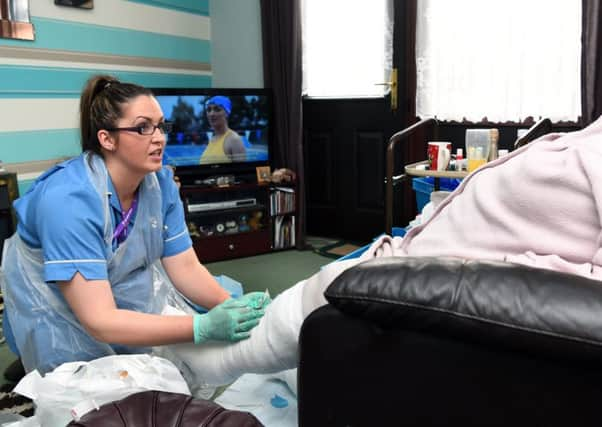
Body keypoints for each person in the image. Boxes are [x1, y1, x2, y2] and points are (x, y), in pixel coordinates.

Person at [163, 115, 602, 392]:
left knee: (323, 288)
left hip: (415, 275)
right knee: (312, 295)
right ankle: (272, 355)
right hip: (412, 250)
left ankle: (218, 362)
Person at [0, 75, 270, 375]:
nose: (159, 138)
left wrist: (233, 308)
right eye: (143, 127)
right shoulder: (68, 200)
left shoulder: (160, 185)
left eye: (161, 125)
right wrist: (202, 326)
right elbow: (100, 320)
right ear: (107, 138)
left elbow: (185, 268)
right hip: (54, 314)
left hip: (115, 299)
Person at [199, 96, 247, 164]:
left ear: (227, 113)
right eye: (209, 110)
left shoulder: (234, 140)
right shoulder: (213, 139)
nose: (211, 114)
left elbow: (242, 173)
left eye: (217, 109)